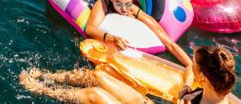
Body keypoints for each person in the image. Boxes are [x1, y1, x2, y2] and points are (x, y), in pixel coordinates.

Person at [19, 44, 237, 104]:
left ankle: (41, 89)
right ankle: (46, 75)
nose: (191, 66)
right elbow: (189, 69)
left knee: (95, 94)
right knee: (97, 75)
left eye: (197, 67)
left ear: (205, 78)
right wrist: (186, 88)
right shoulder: (217, 86)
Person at [84, 0, 192, 67]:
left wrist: (190, 65)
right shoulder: (104, 4)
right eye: (119, 3)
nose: (124, 9)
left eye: (128, 3)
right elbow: (90, 28)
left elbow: (170, 43)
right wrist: (112, 37)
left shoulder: (134, 10)